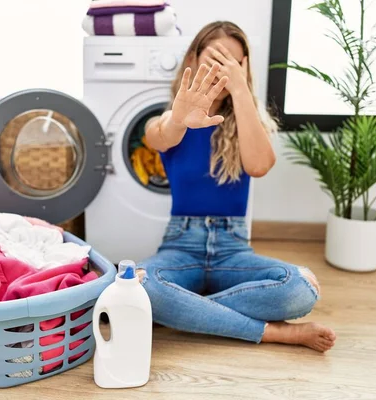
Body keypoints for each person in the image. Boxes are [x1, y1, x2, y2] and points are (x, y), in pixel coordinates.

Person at [138, 21, 336, 352]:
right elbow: (159, 135)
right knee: (143, 285)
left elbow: (258, 166)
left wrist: (241, 91)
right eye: (216, 58)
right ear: (193, 59)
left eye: (234, 62)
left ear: (244, 68)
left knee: (302, 287)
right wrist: (179, 118)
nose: (223, 70)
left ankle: (181, 310)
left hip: (233, 249)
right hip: (181, 247)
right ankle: (275, 332)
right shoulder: (170, 120)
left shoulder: (249, 122)